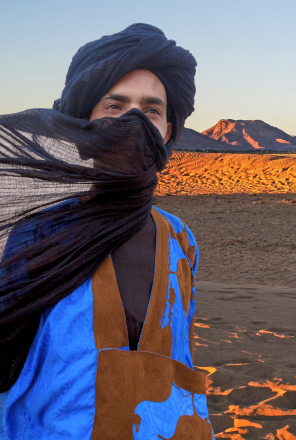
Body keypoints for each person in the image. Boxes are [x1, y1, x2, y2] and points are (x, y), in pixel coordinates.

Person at [0, 24, 212, 439]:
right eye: (114, 107)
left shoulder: (181, 239)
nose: (133, 121)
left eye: (151, 110)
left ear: (168, 130)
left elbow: (179, 352)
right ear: (84, 124)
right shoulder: (37, 231)